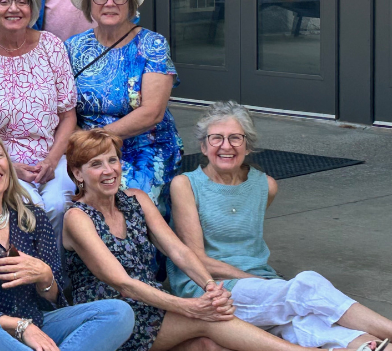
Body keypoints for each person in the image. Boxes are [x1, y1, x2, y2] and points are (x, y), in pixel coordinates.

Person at [63, 128, 376, 351]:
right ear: (77, 173)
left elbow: (178, 251)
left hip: (154, 305)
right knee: (212, 321)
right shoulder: (77, 218)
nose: (108, 171)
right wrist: (191, 307)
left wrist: (210, 287)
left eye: (113, 160)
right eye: (95, 164)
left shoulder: (136, 199)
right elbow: (123, 284)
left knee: (210, 344)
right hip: (114, 316)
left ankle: (351, 344)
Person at [168, 101, 392, 351]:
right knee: (306, 286)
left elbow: (247, 242)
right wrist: (258, 281)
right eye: (216, 138)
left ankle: (367, 347)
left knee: (310, 323)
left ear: (248, 145)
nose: (225, 146)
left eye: (235, 138)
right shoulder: (186, 185)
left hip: (263, 289)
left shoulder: (266, 185)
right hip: (210, 288)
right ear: (203, 145)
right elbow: (198, 259)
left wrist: (265, 284)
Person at [0, 128, 136, 351]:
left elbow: (52, 300)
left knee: (119, 312)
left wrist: (45, 277)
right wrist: (22, 327)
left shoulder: (32, 217)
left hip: (33, 324)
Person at [64, 0, 183, 223]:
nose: (110, 3)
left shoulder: (152, 44)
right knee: (66, 200)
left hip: (144, 146)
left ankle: (143, 264)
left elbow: (152, 112)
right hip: (88, 151)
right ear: (89, 3)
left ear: (130, 3)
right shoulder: (73, 47)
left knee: (132, 206)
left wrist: (93, 139)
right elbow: (64, 106)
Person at [0, 0, 77, 249]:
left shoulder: (51, 46)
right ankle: (26, 282)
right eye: (4, 0)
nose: (13, 8)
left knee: (58, 204)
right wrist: (8, 166)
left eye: (22, 0)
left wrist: (52, 160)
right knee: (31, 207)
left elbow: (67, 114)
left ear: (33, 7)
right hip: (0, 160)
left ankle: (54, 282)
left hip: (52, 155)